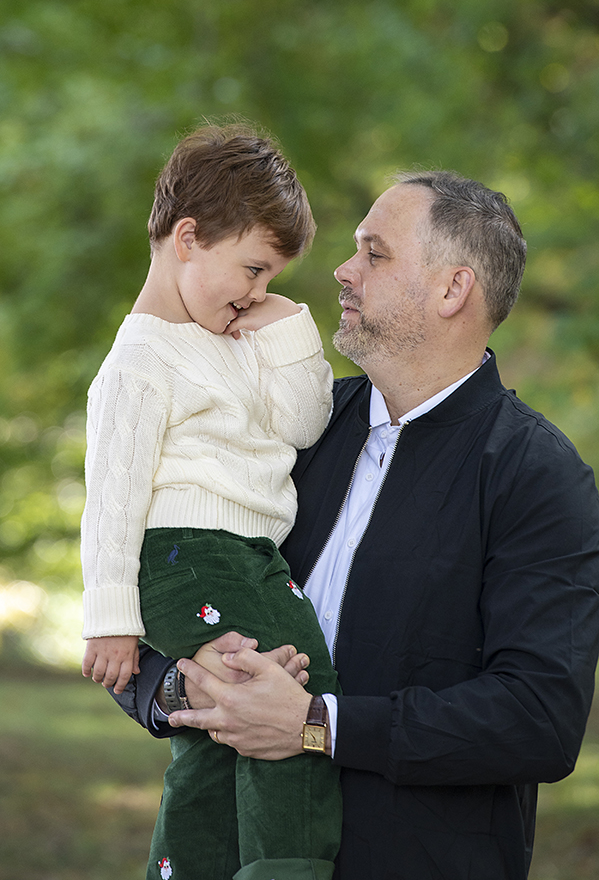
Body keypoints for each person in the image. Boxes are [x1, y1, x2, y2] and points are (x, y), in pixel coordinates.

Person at [110, 170, 599, 880]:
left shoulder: (535, 475)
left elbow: (539, 720)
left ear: (451, 289)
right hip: (228, 853)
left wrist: (315, 723)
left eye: (374, 253)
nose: (342, 270)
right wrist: (185, 688)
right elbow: (142, 583)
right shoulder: (285, 426)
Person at [80, 122, 342, 880]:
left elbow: (302, 423)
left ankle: (188, 867)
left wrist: (288, 326)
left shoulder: (232, 340)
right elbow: (112, 498)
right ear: (187, 237)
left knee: (220, 726)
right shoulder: (140, 360)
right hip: (190, 556)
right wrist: (110, 620)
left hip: (244, 560)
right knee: (294, 691)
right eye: (253, 270)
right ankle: (287, 866)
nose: (256, 294)